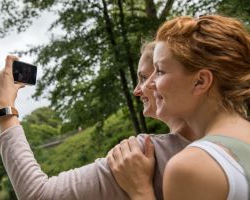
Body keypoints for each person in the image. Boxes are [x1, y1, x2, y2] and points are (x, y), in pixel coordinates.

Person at [0, 41, 195, 200]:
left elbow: (37, 195)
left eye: (145, 77)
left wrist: (4, 106)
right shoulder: (216, 144)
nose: (137, 90)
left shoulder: (141, 155)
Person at [107, 15, 250, 200]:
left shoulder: (190, 168)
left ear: (200, 81)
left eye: (159, 71)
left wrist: (140, 191)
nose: (151, 84)